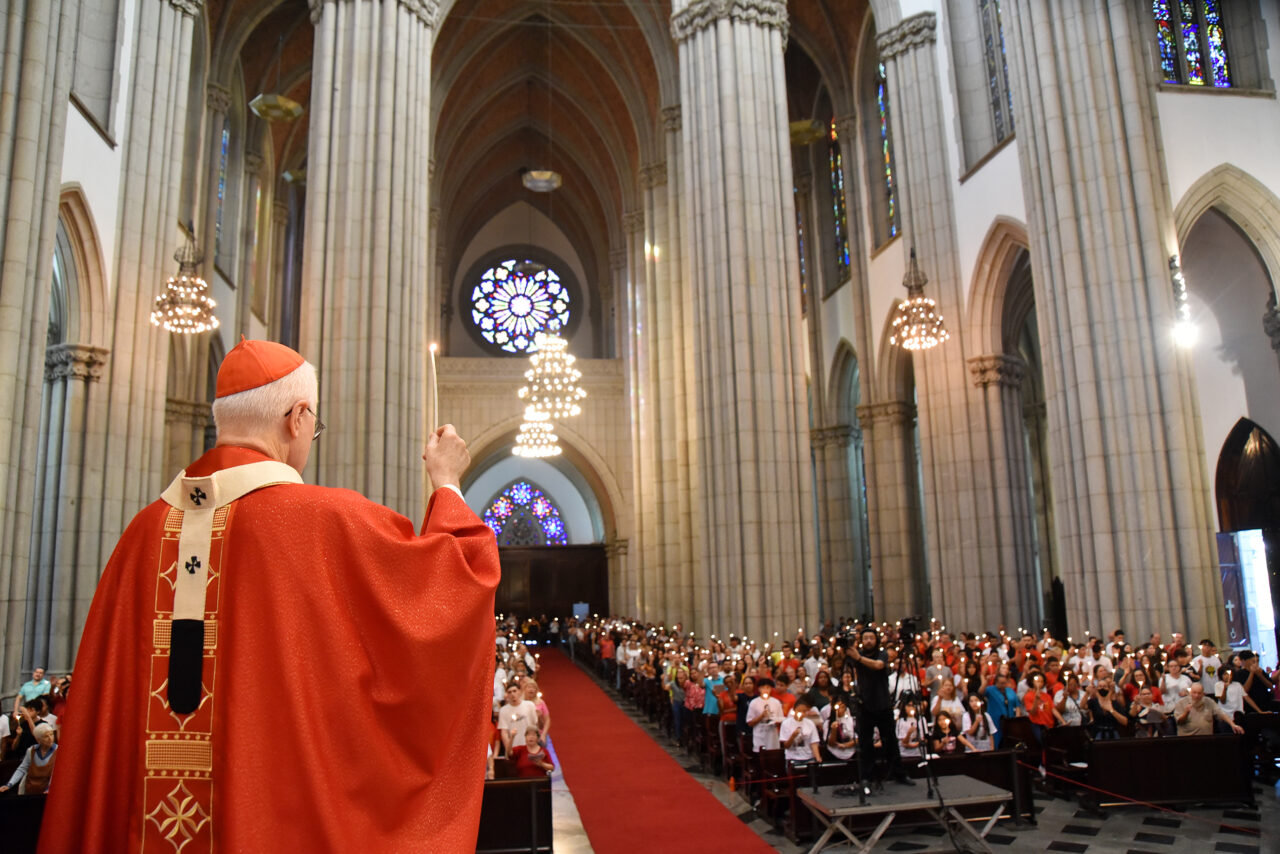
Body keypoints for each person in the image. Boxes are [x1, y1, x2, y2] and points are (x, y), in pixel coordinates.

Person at [39, 339, 501, 853]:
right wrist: (447, 484)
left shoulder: (141, 535)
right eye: (314, 424)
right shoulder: (329, 522)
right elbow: (454, 587)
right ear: (297, 418)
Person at [850, 629, 914, 787]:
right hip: (864, 705)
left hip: (883, 704)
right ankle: (866, 777)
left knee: (890, 741)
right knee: (865, 744)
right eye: (865, 638)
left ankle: (898, 774)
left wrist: (859, 658)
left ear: (876, 640)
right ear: (861, 641)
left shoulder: (881, 654)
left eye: (871, 638)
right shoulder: (855, 654)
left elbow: (878, 666)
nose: (869, 641)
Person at [1, 723, 57, 795]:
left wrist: (49, 789)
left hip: (48, 791)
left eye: (51, 734)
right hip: (30, 789)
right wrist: (9, 784)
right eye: (46, 736)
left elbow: (56, 774)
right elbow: (22, 769)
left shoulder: (59, 751)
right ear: (38, 739)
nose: (50, 738)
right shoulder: (31, 750)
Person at [1173, 683, 1244, 736]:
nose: (1196, 695)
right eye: (1194, 693)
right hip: (1188, 739)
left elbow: (1220, 713)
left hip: (1206, 739)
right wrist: (1186, 713)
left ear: (1203, 693)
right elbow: (1179, 721)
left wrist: (1233, 725)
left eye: (1199, 693)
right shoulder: (1181, 703)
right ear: (1190, 692)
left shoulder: (1209, 701)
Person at [984, 672, 1023, 748]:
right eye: (1001, 683)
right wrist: (986, 682)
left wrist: (1017, 719)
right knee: (997, 740)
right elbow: (980, 692)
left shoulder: (1010, 690)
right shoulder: (990, 690)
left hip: (1009, 720)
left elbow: (1017, 705)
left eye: (1004, 683)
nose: (1003, 685)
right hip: (996, 720)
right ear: (996, 682)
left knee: (1010, 741)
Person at [745, 678, 784, 752]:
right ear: (759, 689)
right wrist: (761, 716)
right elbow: (750, 722)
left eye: (768, 688)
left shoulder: (776, 702)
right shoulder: (754, 703)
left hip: (772, 736)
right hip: (760, 735)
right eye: (763, 688)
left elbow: (780, 719)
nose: (765, 690)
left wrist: (776, 721)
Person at [779, 699, 822, 765]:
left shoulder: (810, 723)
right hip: (793, 758)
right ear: (794, 710)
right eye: (799, 711)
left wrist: (818, 757)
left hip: (808, 757)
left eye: (804, 711)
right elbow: (786, 745)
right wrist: (793, 736)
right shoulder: (786, 723)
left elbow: (814, 742)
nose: (801, 713)